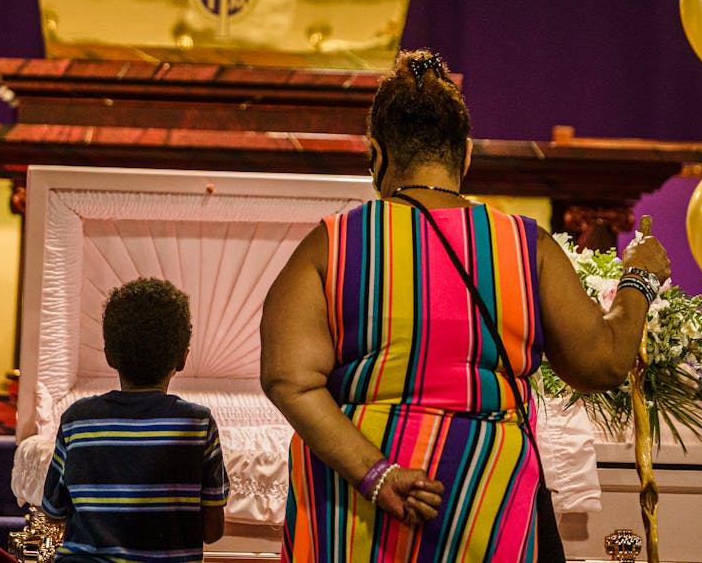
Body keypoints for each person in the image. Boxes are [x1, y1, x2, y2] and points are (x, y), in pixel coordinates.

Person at [260, 48, 671, 560]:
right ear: (466, 155)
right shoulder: (525, 247)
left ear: (376, 155)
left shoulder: (332, 245)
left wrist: (376, 471)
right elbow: (602, 362)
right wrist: (639, 278)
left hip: (351, 507)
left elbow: (288, 379)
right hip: (484, 498)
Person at [42, 277, 229, 559]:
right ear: (182, 358)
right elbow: (212, 531)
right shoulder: (197, 424)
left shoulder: (77, 420)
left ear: (109, 357)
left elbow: (54, 511)